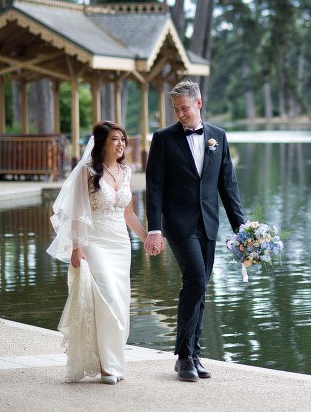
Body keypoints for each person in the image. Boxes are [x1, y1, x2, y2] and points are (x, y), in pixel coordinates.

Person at [144, 80, 244, 382]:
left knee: (201, 288)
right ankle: (183, 356)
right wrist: (155, 229)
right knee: (196, 280)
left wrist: (242, 230)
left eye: (184, 108)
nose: (180, 114)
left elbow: (228, 186)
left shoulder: (219, 137)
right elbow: (155, 187)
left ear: (198, 104)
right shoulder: (162, 139)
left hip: (209, 223)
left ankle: (194, 352)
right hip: (178, 225)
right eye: (175, 110)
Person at [48, 121, 147, 385]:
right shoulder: (88, 172)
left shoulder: (126, 171)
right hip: (96, 242)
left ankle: (113, 362)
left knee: (122, 302)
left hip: (120, 244)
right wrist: (77, 247)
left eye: (123, 139)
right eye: (115, 139)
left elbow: (128, 213)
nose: (121, 144)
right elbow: (79, 213)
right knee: (109, 300)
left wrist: (147, 238)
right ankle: (107, 367)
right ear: (102, 142)